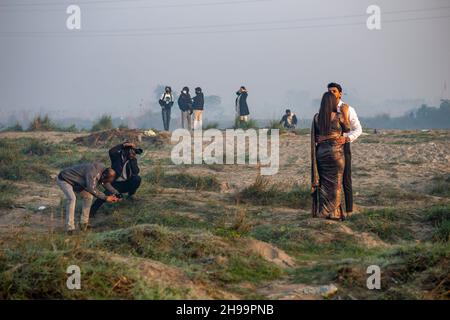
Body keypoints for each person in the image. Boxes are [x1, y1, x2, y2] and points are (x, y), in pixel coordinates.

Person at [311, 92, 351, 220]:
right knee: (336, 184)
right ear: (333, 103)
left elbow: (316, 137)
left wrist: (325, 137)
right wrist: (345, 112)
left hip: (321, 154)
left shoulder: (317, 118)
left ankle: (325, 211)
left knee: (325, 184)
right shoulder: (339, 116)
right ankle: (333, 213)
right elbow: (347, 129)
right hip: (336, 153)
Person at [327, 82, 362, 214]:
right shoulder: (325, 109)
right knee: (330, 180)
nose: (331, 94)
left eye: (334, 91)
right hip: (328, 147)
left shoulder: (348, 109)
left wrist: (346, 138)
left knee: (346, 179)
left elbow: (358, 129)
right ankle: (332, 209)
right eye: (329, 91)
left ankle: (349, 210)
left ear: (340, 93)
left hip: (343, 146)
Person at [56, 162, 120, 234]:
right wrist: (105, 198)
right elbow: (91, 189)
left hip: (77, 183)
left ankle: (83, 224)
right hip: (65, 179)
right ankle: (70, 228)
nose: (105, 182)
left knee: (88, 197)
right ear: (103, 175)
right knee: (72, 199)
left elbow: (105, 182)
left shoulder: (104, 171)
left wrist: (116, 193)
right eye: (105, 180)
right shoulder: (93, 173)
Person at [90, 142, 142, 216]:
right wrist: (123, 145)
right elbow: (111, 151)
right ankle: (91, 213)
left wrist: (132, 159)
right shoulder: (117, 157)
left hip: (126, 183)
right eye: (131, 151)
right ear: (126, 150)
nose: (133, 153)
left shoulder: (132, 159)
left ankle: (131, 195)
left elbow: (136, 172)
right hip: (116, 184)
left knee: (137, 179)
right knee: (104, 196)